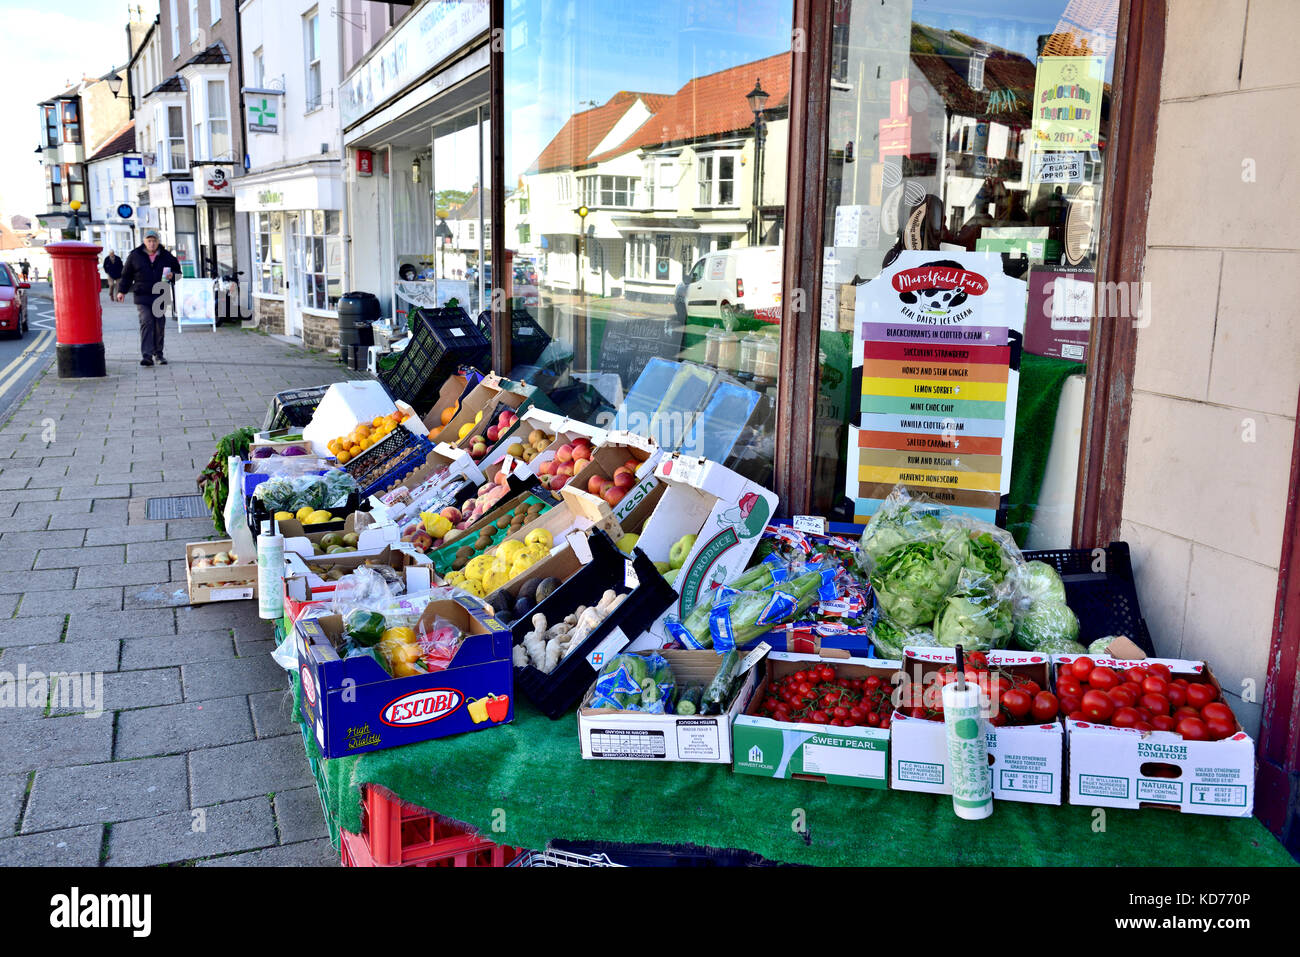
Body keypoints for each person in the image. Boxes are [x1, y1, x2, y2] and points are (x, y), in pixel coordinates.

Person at [116, 229, 180, 367]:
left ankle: (158, 354)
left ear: (158, 242)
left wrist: (172, 276)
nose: (152, 244)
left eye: (154, 241)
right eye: (149, 241)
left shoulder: (167, 256)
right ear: (144, 241)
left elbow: (179, 274)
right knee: (146, 321)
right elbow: (126, 275)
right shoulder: (135, 255)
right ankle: (147, 355)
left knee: (159, 324)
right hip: (142, 295)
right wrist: (121, 291)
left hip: (160, 295)